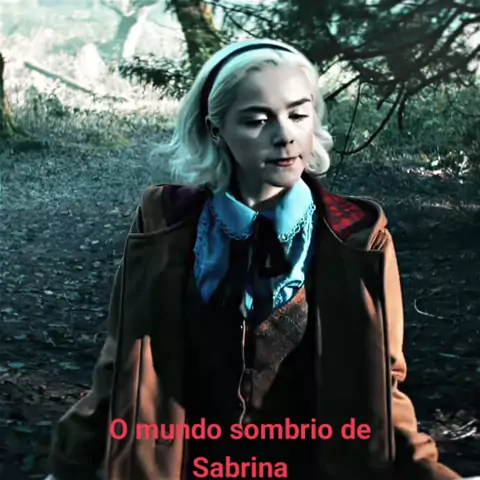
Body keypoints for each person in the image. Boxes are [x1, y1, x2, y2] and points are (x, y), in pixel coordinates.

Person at [44, 38, 464, 480]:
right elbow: (122, 364)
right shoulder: (165, 225)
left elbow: (384, 385)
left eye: (298, 115)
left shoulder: (358, 239)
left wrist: (427, 472)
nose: (284, 135)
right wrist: (71, 463)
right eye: (257, 120)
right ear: (216, 130)